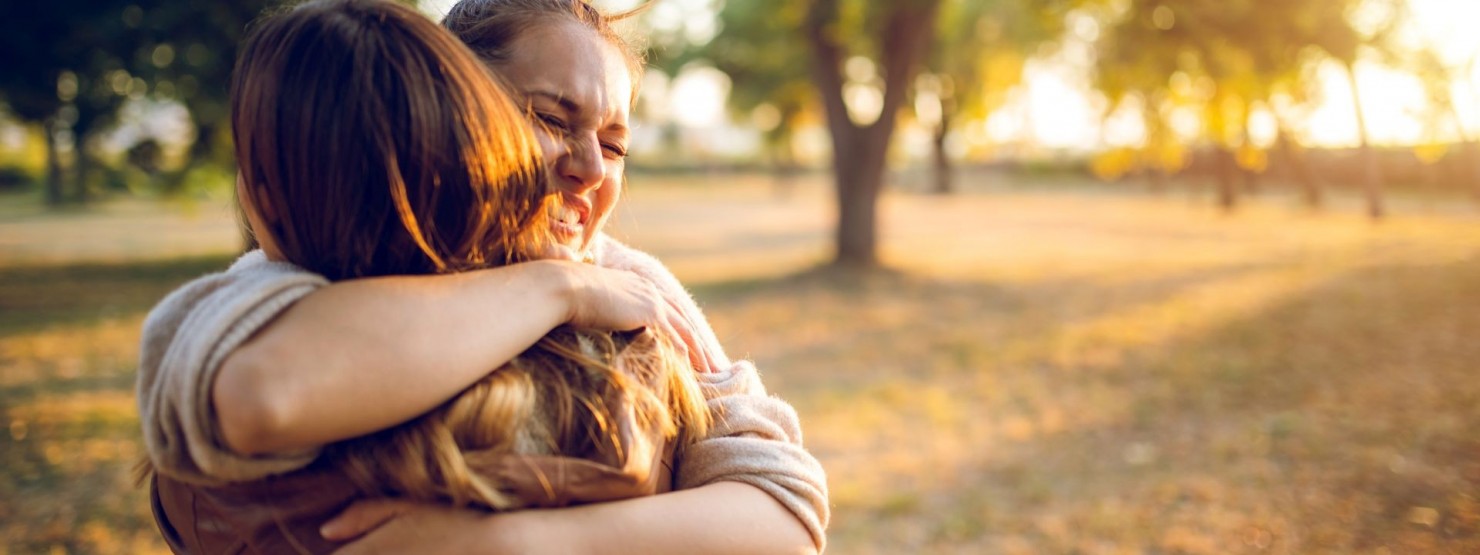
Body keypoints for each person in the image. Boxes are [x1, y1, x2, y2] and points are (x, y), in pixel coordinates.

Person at [136, 0, 827, 552]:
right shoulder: (308, 284)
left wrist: (517, 540)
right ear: (455, 106)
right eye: (551, 118)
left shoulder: (631, 280)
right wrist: (559, 289)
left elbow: (784, 514)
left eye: (615, 143)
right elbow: (265, 391)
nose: (590, 167)